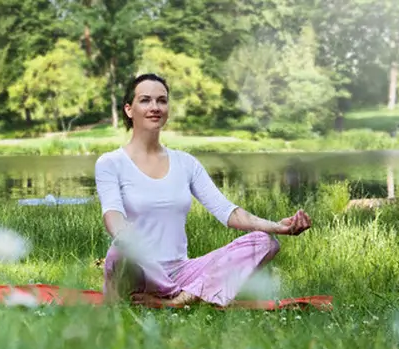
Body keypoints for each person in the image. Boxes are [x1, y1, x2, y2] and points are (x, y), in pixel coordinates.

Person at [95, 73, 312, 308]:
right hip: (138, 268)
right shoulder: (111, 162)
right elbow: (112, 213)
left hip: (181, 273)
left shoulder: (185, 163)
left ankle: (179, 300)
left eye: (162, 100)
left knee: (265, 242)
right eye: (145, 100)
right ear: (129, 109)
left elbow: (227, 212)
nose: (155, 107)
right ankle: (184, 295)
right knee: (120, 249)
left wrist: (278, 227)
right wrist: (126, 236)